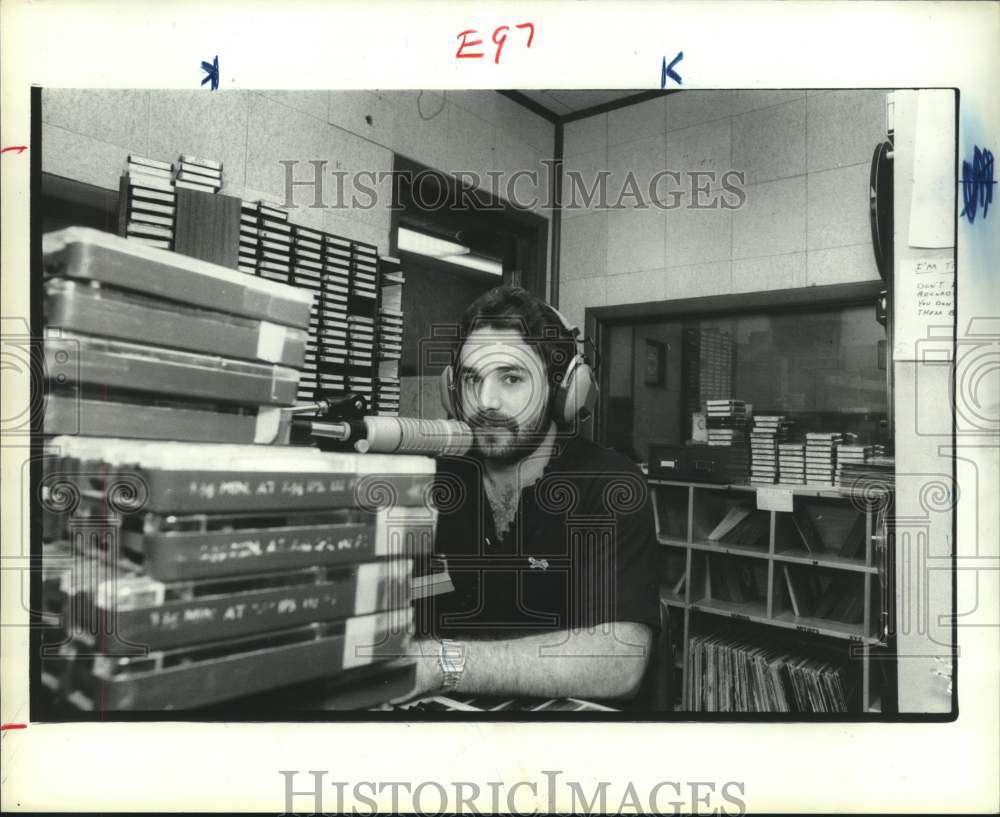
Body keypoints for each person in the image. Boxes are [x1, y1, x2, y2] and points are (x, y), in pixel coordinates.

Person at [406, 285, 660, 702]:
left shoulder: (610, 484)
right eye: (472, 378)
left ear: (564, 390)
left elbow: (618, 661)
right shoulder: (437, 478)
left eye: (511, 378)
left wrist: (441, 664)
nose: (485, 401)